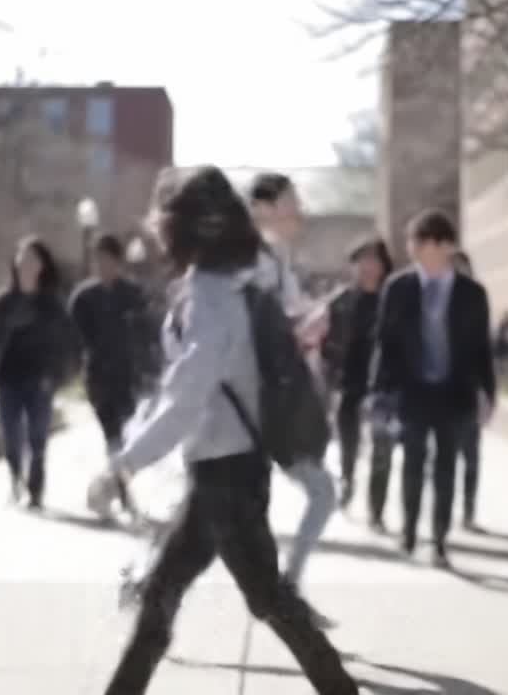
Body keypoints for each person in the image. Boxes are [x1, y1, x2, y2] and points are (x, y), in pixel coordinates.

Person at [85, 165, 359, 695]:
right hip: (218, 474)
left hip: (228, 478)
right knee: (186, 601)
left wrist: (122, 466)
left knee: (250, 600)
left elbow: (186, 398)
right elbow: (179, 390)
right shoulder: (206, 290)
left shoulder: (214, 302)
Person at [370, 210, 497, 568]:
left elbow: (481, 349)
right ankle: (410, 532)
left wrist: (488, 392)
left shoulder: (473, 294)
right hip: (413, 392)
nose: (411, 247)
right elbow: (386, 343)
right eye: (412, 241)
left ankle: (439, 540)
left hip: (454, 393)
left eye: (419, 241)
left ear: (444, 246)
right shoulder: (398, 287)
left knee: (446, 468)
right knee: (412, 464)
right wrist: (379, 391)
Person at [246, 171, 337, 592]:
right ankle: (286, 588)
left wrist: (308, 323)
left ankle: (288, 586)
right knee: (218, 515)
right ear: (264, 208)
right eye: (290, 200)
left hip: (275, 403)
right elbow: (257, 331)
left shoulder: (278, 259)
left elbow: (282, 324)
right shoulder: (251, 263)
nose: (297, 209)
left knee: (222, 515)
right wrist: (299, 326)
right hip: (256, 405)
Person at [0, 236, 77, 510]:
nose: (26, 263)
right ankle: (15, 476)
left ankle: (36, 486)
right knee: (9, 432)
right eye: (22, 257)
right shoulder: (2, 302)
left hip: (40, 377)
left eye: (32, 258)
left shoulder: (52, 304)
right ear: (16, 263)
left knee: (37, 434)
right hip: (8, 376)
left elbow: (64, 343)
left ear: (42, 266)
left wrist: (56, 375)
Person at [69, 233, 159, 519]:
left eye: (108, 260)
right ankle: (121, 495)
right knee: (114, 439)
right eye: (98, 260)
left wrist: (151, 370)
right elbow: (72, 338)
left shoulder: (133, 294)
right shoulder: (84, 298)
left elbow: (149, 336)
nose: (103, 266)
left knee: (127, 441)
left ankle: (109, 490)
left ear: (119, 262)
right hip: (100, 379)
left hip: (129, 379)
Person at [322, 236, 395, 522]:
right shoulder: (340, 302)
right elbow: (328, 346)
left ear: (382, 265)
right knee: (348, 442)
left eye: (373, 259)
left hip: (383, 386)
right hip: (349, 384)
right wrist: (331, 382)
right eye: (360, 260)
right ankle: (348, 480)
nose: (367, 266)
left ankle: (376, 508)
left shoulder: (392, 299)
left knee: (382, 447)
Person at [451, 251, 494, 531]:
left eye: (462, 269)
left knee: (471, 456)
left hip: (468, 391)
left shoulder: (476, 300)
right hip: (441, 393)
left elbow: (484, 351)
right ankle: (444, 507)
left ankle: (468, 511)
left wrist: (488, 394)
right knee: (444, 457)